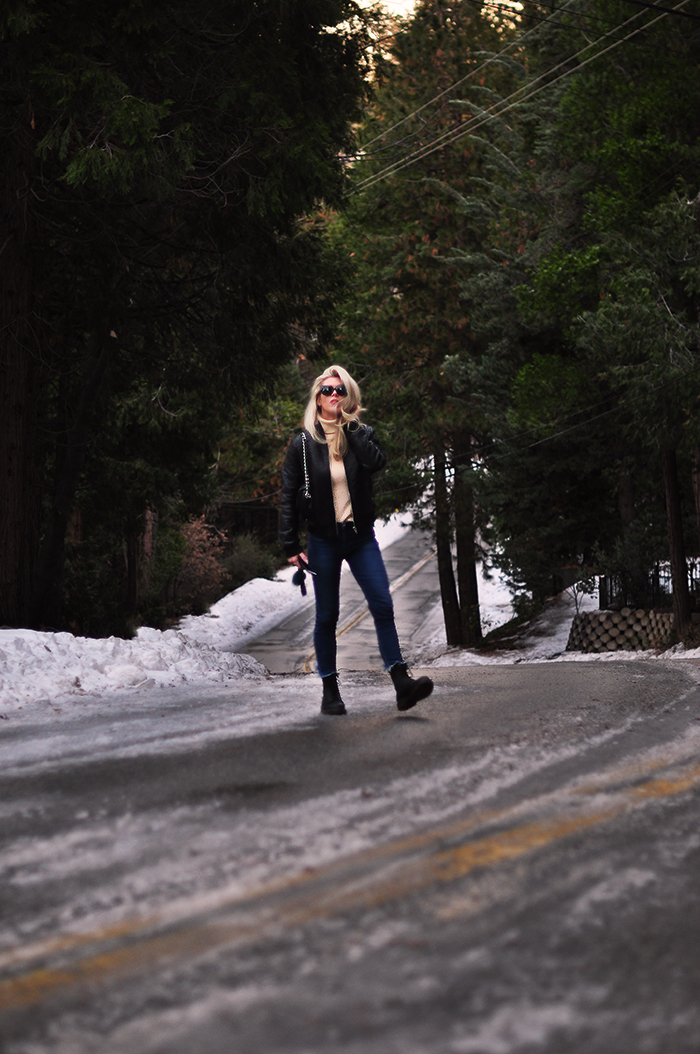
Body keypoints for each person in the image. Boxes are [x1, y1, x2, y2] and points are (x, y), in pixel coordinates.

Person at [280, 365, 434, 716]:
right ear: (317, 398)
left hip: (360, 538)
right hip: (322, 541)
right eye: (327, 391)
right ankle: (330, 691)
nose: (334, 396)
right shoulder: (303, 444)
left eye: (341, 391)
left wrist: (349, 426)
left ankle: (402, 685)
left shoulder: (361, 433)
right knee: (327, 616)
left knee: (382, 604)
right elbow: (288, 494)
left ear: (348, 398)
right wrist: (290, 545)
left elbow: (376, 462)